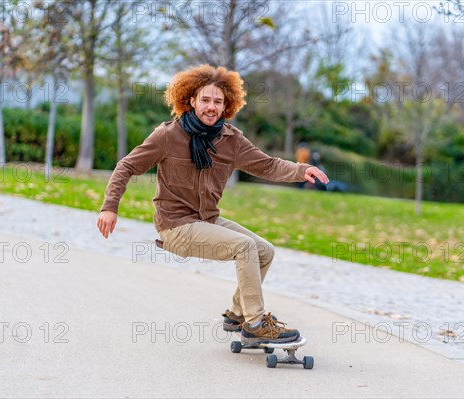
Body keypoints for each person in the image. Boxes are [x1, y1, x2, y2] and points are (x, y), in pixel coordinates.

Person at [97, 64, 329, 345]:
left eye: (218, 102)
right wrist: (110, 207)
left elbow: (266, 165)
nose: (211, 107)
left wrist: (300, 170)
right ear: (191, 101)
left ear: (226, 105)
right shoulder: (168, 136)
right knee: (244, 247)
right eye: (205, 100)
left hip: (207, 220)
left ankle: (238, 313)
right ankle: (256, 323)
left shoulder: (231, 139)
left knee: (264, 251)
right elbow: (127, 166)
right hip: (176, 226)